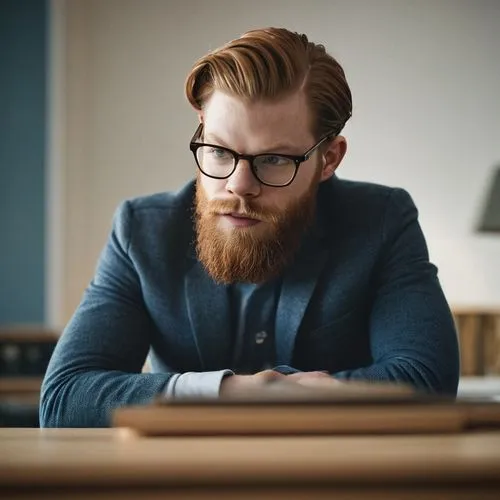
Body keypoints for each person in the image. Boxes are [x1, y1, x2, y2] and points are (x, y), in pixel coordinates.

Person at [40, 27, 459, 427]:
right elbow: (63, 399)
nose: (238, 185)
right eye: (219, 151)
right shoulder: (140, 231)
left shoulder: (382, 220)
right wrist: (232, 392)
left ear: (329, 159)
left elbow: (427, 384)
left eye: (274, 159)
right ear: (202, 128)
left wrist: (274, 398)